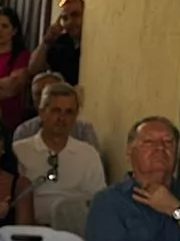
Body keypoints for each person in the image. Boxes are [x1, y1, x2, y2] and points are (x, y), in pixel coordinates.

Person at [12, 83, 108, 231]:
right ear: (42, 112)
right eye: (56, 111)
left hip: (75, 232)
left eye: (69, 112)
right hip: (33, 233)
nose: (62, 118)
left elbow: (99, 201)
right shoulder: (19, 151)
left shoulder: (88, 154)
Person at [10, 71, 101, 146]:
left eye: (51, 92)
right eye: (38, 93)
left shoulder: (83, 131)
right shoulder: (24, 132)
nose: (43, 97)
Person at [42, 0, 84, 84]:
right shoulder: (61, 42)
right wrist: (47, 41)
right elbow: (33, 68)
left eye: (75, 15)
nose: (69, 22)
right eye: (65, 18)